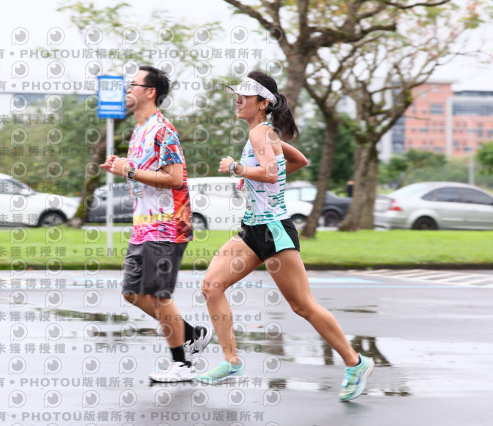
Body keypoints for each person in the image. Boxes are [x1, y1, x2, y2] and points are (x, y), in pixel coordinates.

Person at [195, 71, 374, 402]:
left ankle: (356, 361)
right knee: (212, 286)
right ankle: (231, 361)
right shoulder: (266, 134)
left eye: (245, 96)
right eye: (237, 95)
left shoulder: (260, 133)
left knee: (302, 305)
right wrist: (252, 177)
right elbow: (298, 161)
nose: (238, 100)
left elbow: (271, 172)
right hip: (253, 229)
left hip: (274, 230)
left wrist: (238, 169)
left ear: (263, 103)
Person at [101, 65, 212, 382]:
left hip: (167, 226)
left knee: (159, 295)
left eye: (133, 84)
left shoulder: (163, 130)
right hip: (144, 225)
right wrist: (123, 166)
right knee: (133, 293)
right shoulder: (140, 130)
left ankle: (182, 364)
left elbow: (174, 178)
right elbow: (143, 175)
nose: (127, 89)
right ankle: (190, 334)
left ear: (150, 92)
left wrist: (129, 171)